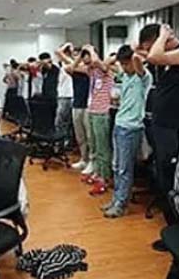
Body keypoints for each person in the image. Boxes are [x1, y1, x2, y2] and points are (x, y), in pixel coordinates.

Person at [139, 23, 179, 250]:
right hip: (162, 127)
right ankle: (174, 233)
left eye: (151, 45)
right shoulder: (169, 62)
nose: (149, 50)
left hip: (177, 128)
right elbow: (148, 56)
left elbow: (154, 57)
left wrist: (163, 35)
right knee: (164, 182)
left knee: (175, 184)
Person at [102, 45, 151, 218]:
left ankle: (121, 205)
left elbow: (137, 62)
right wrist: (119, 58)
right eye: (122, 64)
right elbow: (105, 64)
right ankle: (116, 199)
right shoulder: (125, 76)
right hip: (119, 125)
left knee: (124, 169)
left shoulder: (143, 77)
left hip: (131, 128)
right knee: (116, 166)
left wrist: (134, 50)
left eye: (126, 63)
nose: (123, 67)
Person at [74, 44, 115, 196]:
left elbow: (99, 63)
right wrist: (80, 56)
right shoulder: (91, 72)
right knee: (95, 147)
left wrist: (91, 50)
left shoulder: (105, 70)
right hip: (91, 111)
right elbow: (73, 67)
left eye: (88, 59)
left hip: (101, 113)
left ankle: (104, 178)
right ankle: (97, 173)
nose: (87, 63)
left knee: (103, 149)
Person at [57, 44, 93, 173]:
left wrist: (77, 58)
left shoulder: (91, 68)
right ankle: (84, 159)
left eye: (84, 55)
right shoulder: (73, 69)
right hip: (76, 105)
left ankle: (91, 161)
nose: (81, 58)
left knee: (90, 137)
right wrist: (70, 47)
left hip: (88, 106)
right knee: (80, 136)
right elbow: (60, 54)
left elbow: (82, 68)